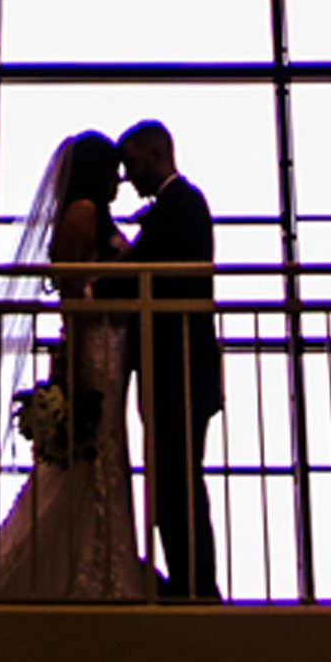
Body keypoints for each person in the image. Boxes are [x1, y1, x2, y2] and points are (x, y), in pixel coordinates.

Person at [0, 132, 160, 602]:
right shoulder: (82, 214)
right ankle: (88, 571)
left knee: (105, 452)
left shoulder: (88, 214)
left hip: (111, 349)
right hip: (96, 348)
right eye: (112, 171)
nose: (120, 182)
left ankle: (101, 562)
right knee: (94, 453)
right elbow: (73, 295)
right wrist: (79, 368)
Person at [117, 116, 223, 601]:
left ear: (156, 155)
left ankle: (195, 587)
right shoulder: (175, 208)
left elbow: (148, 275)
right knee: (172, 480)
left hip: (180, 368)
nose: (127, 178)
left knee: (177, 482)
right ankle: (190, 582)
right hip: (171, 369)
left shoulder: (181, 206)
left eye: (132, 164)